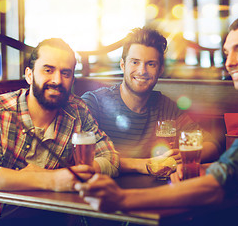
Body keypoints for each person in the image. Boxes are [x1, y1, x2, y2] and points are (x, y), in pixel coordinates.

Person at [75, 13, 238, 226]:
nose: (229, 62)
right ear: (123, 65)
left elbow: (220, 181)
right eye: (226, 53)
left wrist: (123, 198)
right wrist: (198, 169)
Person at [0, 38, 119, 225]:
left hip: (47, 216)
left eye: (65, 73)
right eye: (48, 70)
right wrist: (52, 179)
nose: (57, 80)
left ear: (72, 79)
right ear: (29, 75)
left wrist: (79, 174)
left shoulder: (77, 109)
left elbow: (111, 158)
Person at [81, 27, 221, 174]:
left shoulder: (166, 107)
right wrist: (140, 165)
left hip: (153, 192)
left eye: (151, 64)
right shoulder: (94, 102)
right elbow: (82, 158)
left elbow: (212, 145)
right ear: (123, 65)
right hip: (103, 191)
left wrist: (184, 155)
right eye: (135, 62)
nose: (142, 71)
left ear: (160, 69)